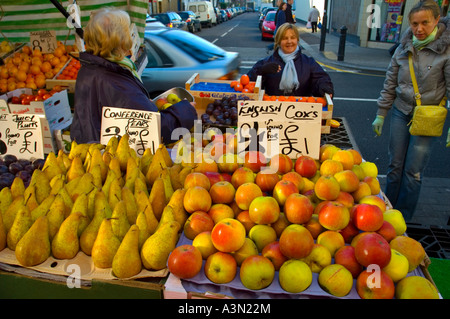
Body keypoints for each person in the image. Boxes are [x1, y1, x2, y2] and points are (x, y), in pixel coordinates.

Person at [371, 0, 450, 222]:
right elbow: (390, 82)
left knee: (413, 173)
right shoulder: (404, 47)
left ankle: (403, 220)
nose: (419, 28)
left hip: (427, 115)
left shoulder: (446, 51)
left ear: (436, 20)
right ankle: (389, 214)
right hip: (401, 110)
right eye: (415, 24)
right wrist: (381, 113)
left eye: (425, 22)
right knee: (394, 166)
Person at [70, 7, 197, 144]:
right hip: (111, 157)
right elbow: (155, 129)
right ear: (120, 40)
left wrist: (142, 103)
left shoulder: (87, 69)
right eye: (127, 32)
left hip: (89, 150)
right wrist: (187, 111)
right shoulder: (116, 81)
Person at [248, 23, 334, 97]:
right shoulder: (266, 62)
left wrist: (324, 87)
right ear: (278, 41)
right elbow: (248, 85)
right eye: (285, 38)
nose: (289, 41)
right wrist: (260, 71)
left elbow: (321, 78)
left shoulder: (308, 62)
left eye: (292, 37)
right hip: (273, 112)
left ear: (297, 39)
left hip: (302, 112)